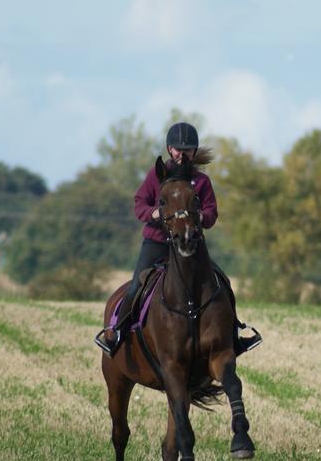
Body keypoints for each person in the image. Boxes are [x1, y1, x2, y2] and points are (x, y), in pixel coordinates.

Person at [95, 121, 261, 357]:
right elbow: (139, 203)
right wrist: (153, 213)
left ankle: (234, 337)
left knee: (222, 282)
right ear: (169, 149)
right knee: (135, 287)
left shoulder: (202, 182)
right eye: (177, 149)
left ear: (194, 151)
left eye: (187, 149)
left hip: (191, 245)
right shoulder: (157, 174)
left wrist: (200, 216)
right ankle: (116, 334)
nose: (182, 154)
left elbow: (212, 212)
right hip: (157, 243)